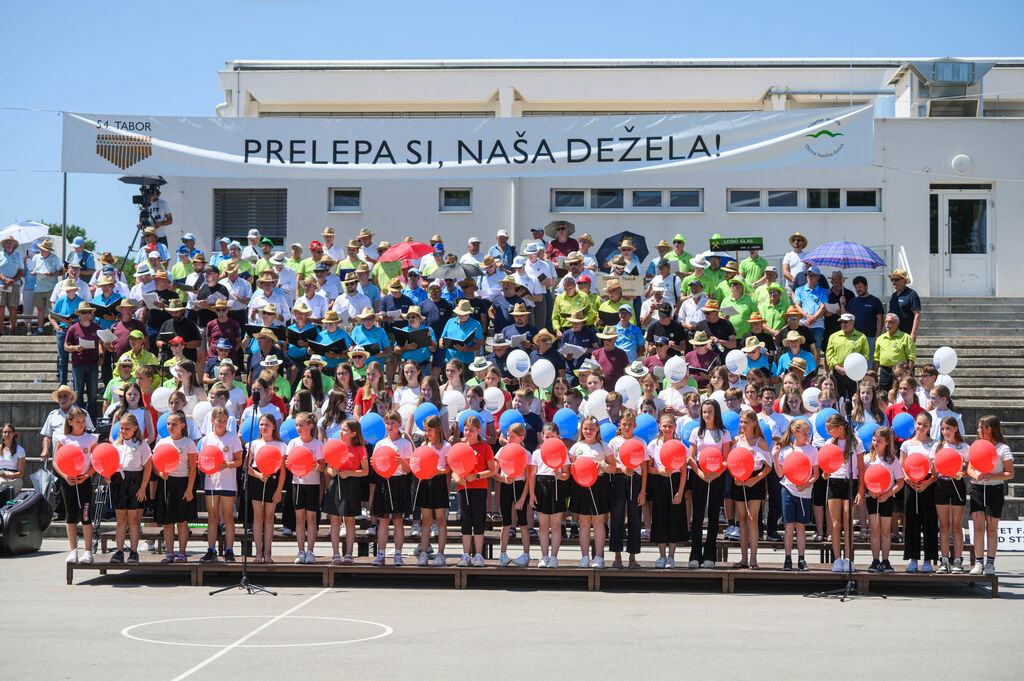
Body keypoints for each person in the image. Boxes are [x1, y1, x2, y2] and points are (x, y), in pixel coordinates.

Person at [967, 416, 1014, 576]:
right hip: (977, 489)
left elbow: (1010, 473)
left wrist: (992, 476)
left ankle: (990, 564)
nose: (978, 430)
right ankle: (978, 562)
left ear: (989, 429)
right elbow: (970, 468)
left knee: (992, 529)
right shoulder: (977, 445)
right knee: (978, 527)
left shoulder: (1002, 448)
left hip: (995, 490)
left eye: (980, 427)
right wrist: (976, 476)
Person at [687, 399, 731, 568]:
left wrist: (717, 473)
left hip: (717, 475)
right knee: (698, 515)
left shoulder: (724, 433)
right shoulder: (696, 431)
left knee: (713, 515)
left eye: (710, 412)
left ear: (716, 413)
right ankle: (695, 554)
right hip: (700, 474)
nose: (707, 415)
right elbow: (690, 458)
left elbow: (726, 459)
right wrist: (700, 474)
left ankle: (710, 556)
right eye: (704, 412)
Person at [568, 415, 615, 568]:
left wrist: (603, 466)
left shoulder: (604, 446)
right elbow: (570, 467)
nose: (588, 431)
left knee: (599, 522)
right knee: (584, 523)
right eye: (585, 428)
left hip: (599, 485)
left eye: (591, 429)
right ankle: (584, 557)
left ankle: (599, 557)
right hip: (581, 486)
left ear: (597, 429)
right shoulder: (576, 447)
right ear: (581, 429)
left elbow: (613, 468)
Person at [197, 407, 242, 563]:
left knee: (228, 517)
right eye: (219, 420)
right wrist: (202, 465)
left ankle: (229, 550)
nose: (222, 423)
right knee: (212, 517)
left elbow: (239, 461)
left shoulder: (233, 438)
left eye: (224, 421)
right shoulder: (206, 439)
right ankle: (211, 550)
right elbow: (202, 460)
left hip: (228, 483)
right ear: (212, 421)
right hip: (211, 483)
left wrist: (227, 465)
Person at [322, 418, 370, 565]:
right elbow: (327, 469)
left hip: (352, 486)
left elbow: (365, 471)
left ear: (353, 433)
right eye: (341, 429)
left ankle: (349, 554)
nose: (341, 432)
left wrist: (349, 473)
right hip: (336, 484)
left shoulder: (360, 449)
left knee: (350, 520)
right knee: (335, 520)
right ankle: (335, 554)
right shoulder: (336, 445)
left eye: (344, 430)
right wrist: (332, 471)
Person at [54, 407, 98, 564]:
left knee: (86, 515)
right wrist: (65, 476)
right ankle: (73, 550)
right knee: (70, 515)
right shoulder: (63, 439)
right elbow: (56, 462)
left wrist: (86, 475)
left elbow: (97, 461)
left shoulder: (91, 438)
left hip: (84, 481)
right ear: (70, 422)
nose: (82, 424)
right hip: (68, 481)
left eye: (83, 421)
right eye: (78, 422)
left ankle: (88, 551)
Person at [772, 418, 818, 571]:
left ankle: (801, 559)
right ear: (795, 433)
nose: (807, 436)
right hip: (788, 489)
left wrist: (806, 484)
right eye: (804, 433)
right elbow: (780, 474)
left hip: (804, 493)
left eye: (808, 433)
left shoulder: (812, 450)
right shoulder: (786, 450)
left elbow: (816, 473)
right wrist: (774, 457)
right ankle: (787, 559)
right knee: (789, 526)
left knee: (800, 526)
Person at [152, 411, 198, 563]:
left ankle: (182, 553)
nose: (170, 427)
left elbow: (193, 468)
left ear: (182, 425)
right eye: (168, 424)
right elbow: (154, 465)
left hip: (183, 483)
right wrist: (161, 474)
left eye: (174, 424)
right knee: (167, 522)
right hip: (166, 483)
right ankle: (170, 553)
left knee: (182, 522)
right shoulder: (162, 443)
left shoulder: (188, 443)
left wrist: (189, 489)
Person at [822, 414, 865, 572]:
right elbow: (825, 467)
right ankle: (837, 559)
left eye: (830, 429)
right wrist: (825, 473)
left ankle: (848, 559)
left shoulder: (856, 442)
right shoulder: (829, 443)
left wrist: (861, 490)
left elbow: (861, 468)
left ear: (841, 428)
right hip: (834, 483)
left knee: (848, 523)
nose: (828, 432)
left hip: (850, 483)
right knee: (835, 524)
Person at [453, 414, 497, 567]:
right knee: (466, 521)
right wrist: (457, 478)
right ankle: (466, 555)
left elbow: (492, 470)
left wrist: (477, 476)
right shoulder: (459, 447)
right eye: (466, 430)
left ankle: (478, 555)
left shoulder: (485, 447)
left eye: (471, 430)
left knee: (478, 520)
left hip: (479, 488)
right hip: (463, 488)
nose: (468, 433)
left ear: (478, 431)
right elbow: (454, 469)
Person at [731, 410, 773, 569]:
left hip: (756, 479)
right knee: (741, 519)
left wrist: (756, 479)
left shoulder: (761, 442)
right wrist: (735, 476)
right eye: (741, 422)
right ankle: (743, 558)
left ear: (754, 423)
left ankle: (753, 558)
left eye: (746, 422)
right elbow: (731, 461)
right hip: (740, 479)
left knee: (752, 518)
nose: (742, 425)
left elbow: (768, 466)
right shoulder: (736, 441)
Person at [370, 410, 413, 565]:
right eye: (387, 423)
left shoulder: (405, 444)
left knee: (398, 520)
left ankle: (398, 555)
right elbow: (376, 467)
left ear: (399, 424)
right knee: (383, 520)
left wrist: (401, 462)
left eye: (392, 423)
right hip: (384, 481)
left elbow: (409, 469)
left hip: (399, 482)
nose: (389, 426)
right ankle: (381, 555)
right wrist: (374, 464)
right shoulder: (380, 444)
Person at [863, 426, 904, 574]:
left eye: (879, 441)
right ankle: (875, 560)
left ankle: (885, 561)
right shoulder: (867, 459)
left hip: (887, 498)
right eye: (874, 440)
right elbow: (862, 479)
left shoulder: (892, 461)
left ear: (887, 442)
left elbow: (900, 482)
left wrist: (887, 494)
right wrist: (869, 491)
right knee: (874, 530)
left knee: (886, 531)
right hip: (872, 497)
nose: (875, 443)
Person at [286, 411, 324, 564]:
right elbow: (289, 463)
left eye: (301, 425)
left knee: (311, 519)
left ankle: (310, 551)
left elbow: (322, 466)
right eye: (296, 425)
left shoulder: (317, 444)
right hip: (298, 484)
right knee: (299, 518)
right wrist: (289, 464)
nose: (298, 428)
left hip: (313, 485)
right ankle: (301, 551)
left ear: (310, 426)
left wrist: (315, 466)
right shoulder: (293, 443)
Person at [248, 414, 286, 564]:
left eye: (267, 424)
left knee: (269, 518)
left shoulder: (280, 445)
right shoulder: (253, 444)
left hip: (273, 481)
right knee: (258, 517)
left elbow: (282, 471)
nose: (263, 427)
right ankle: (258, 553)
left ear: (273, 427)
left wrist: (278, 490)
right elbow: (246, 467)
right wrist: (259, 475)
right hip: (257, 479)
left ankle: (267, 553)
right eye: (261, 424)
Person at [932, 416, 968, 574]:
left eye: (948, 428)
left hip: (957, 485)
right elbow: (934, 471)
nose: (945, 432)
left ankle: (958, 560)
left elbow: (969, 468)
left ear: (956, 428)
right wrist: (937, 467)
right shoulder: (938, 446)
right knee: (944, 526)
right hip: (941, 485)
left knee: (957, 525)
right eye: (942, 429)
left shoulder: (964, 446)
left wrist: (961, 473)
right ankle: (944, 560)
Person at [414, 414, 451, 565]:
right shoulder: (424, 446)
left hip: (439, 482)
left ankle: (440, 554)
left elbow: (449, 468)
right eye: (425, 430)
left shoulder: (446, 446)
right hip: (425, 484)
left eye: (430, 430)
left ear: (438, 429)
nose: (427, 433)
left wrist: (437, 471)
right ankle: (423, 553)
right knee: (426, 520)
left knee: (441, 520)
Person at [496, 424, 531, 567]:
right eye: (508, 436)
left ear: (521, 438)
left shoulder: (526, 453)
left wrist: (522, 498)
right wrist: (503, 479)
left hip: (520, 486)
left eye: (512, 437)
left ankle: (526, 555)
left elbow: (529, 478)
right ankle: (502, 554)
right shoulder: (502, 451)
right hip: (506, 486)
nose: (508, 439)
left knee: (523, 523)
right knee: (506, 523)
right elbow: (494, 472)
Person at [63, 302, 103, 419]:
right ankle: (78, 420)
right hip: (78, 364)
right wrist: (75, 348)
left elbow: (101, 343)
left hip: (93, 364)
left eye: (88, 312)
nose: (86, 314)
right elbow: (66, 346)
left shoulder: (97, 328)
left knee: (93, 396)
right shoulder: (73, 328)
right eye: (84, 312)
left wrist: (101, 356)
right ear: (79, 314)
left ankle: (92, 421)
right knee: (78, 394)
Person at [825, 312, 869, 403]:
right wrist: (837, 367)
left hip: (855, 373)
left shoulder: (861, 337)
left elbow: (865, 355)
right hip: (838, 372)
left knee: (856, 399)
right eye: (841, 322)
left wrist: (854, 367)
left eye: (845, 322)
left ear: (852, 322)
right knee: (837, 399)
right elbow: (829, 354)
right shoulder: (833, 336)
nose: (843, 324)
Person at [874, 313, 916, 392]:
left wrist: (908, 372)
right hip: (885, 371)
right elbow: (876, 357)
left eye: (890, 322)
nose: (887, 324)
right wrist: (875, 373)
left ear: (897, 323)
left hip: (900, 371)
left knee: (900, 392)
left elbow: (911, 357)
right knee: (883, 393)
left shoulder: (906, 337)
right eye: (886, 322)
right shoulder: (880, 338)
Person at [846, 276, 885, 360]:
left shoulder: (875, 301)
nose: (858, 289)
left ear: (866, 286)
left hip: (870, 338)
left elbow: (880, 320)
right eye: (856, 288)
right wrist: (842, 304)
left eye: (860, 287)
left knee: (869, 363)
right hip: (854, 338)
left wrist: (877, 337)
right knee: (855, 363)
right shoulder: (852, 301)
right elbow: (846, 318)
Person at [0, 234, 25, 335]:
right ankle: (1, 330)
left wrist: (11, 281)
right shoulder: (0, 254)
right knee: (0, 307)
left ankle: (12, 329)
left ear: (14, 244)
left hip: (14, 285)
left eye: (10, 243)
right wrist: (4, 279)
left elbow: (22, 272)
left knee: (13, 307)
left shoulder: (18, 256)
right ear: (4, 244)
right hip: (1, 284)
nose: (8, 244)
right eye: (6, 243)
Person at [888, 269, 922, 341]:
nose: (893, 282)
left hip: (906, 335)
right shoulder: (893, 296)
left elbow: (917, 314)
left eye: (896, 279)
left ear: (904, 280)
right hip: (893, 334)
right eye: (892, 280)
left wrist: (913, 333)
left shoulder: (912, 294)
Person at [0, 423, 26, 495]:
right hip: (1, 476)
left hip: (14, 478)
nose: (7, 434)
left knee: (2, 485)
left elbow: (21, 473)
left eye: (9, 432)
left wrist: (12, 475)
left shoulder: (20, 450)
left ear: (14, 434)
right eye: (5, 432)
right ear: (2, 434)